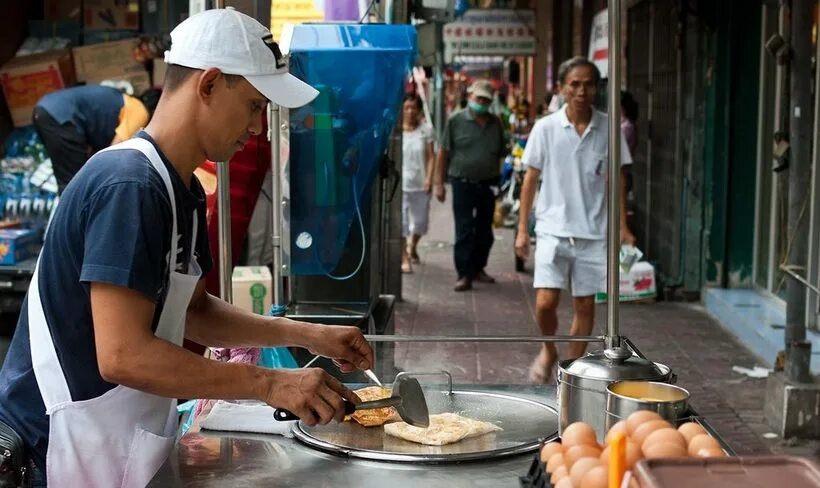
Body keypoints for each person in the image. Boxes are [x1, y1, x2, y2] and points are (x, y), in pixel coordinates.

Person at [0, 9, 374, 487]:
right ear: (210, 84)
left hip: (118, 445)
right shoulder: (129, 186)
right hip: (54, 452)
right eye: (255, 106)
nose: (257, 129)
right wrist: (269, 383)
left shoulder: (182, 189)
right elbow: (122, 354)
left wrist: (308, 336)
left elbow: (192, 312)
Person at [515, 57, 636, 384]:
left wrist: (623, 227)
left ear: (597, 88)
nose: (582, 91)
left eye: (588, 84)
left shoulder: (610, 128)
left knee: (585, 306)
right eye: (575, 84)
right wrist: (522, 230)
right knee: (545, 303)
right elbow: (530, 178)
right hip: (553, 231)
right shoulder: (546, 127)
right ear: (562, 88)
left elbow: (618, 180)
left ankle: (571, 370)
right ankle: (548, 350)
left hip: (593, 234)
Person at [434, 79, 506, 292]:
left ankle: (478, 268)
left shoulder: (496, 123)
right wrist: (439, 183)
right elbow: (443, 152)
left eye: (486, 99)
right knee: (464, 229)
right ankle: (464, 273)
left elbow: (502, 154)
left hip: (488, 184)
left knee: (485, 230)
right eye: (478, 98)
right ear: (470, 97)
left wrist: (501, 182)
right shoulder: (455, 120)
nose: (482, 102)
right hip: (462, 183)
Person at [32, 84, 161, 194]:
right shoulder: (139, 110)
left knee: (69, 182)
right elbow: (115, 152)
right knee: (76, 185)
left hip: (46, 110)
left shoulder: (123, 100)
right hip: (63, 117)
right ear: (156, 110)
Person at [400, 93, 435, 274]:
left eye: (414, 108)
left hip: (421, 184)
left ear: (419, 110)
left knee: (420, 222)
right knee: (402, 222)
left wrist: (430, 178)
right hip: (401, 185)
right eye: (407, 108)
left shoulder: (426, 130)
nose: (410, 111)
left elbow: (431, 157)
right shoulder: (397, 130)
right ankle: (404, 256)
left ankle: (412, 245)